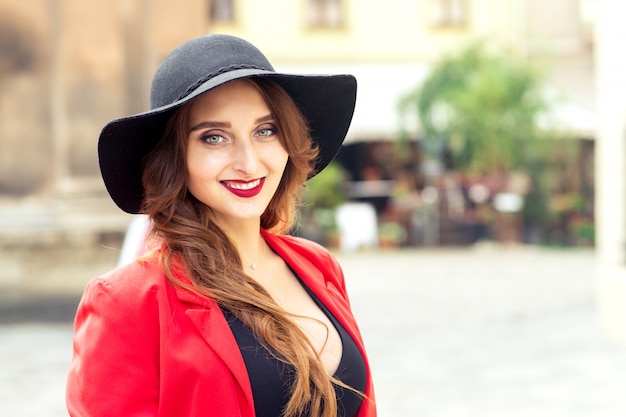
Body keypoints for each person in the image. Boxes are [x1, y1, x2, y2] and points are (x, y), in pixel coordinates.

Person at [66, 34, 376, 417]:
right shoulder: (127, 302)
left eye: (265, 130)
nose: (248, 162)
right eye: (214, 138)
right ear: (175, 158)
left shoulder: (319, 267)